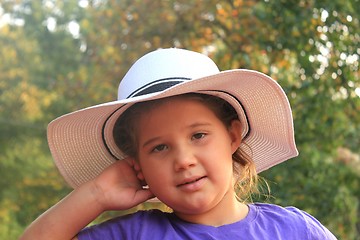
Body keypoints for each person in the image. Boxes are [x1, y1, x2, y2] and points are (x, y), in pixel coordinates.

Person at [20, 48, 337, 240]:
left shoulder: (295, 230)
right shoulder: (134, 234)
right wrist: (96, 195)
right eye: (159, 147)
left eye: (198, 135)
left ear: (232, 135)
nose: (183, 160)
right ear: (138, 165)